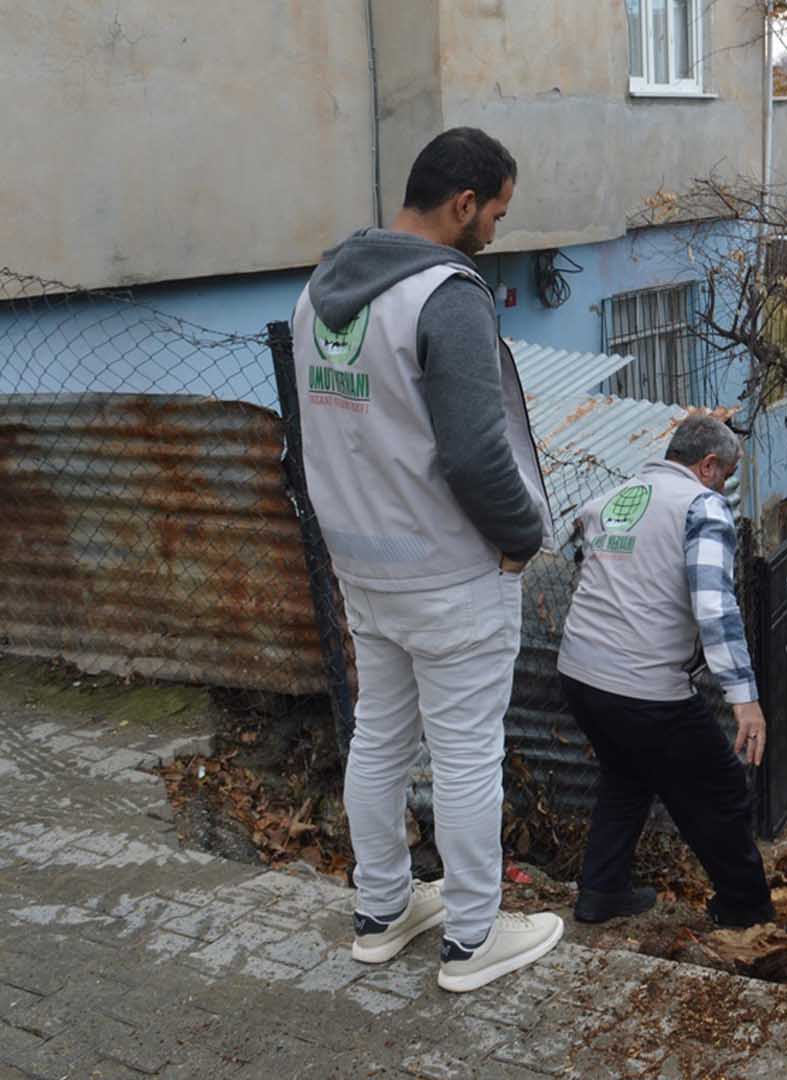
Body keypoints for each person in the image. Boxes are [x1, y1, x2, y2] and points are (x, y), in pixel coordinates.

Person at [292, 127, 564, 993]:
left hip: (363, 566)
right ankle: (473, 940)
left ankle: (381, 914)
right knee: (466, 754)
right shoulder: (446, 296)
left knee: (378, 736)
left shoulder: (318, 295)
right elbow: (477, 454)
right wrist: (521, 537)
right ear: (463, 203)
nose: (496, 230)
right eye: (496, 214)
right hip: (449, 573)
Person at [557, 415, 777, 929]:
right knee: (722, 787)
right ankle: (746, 911)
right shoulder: (702, 506)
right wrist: (744, 699)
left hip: (579, 672)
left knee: (627, 774)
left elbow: (579, 555)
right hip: (643, 685)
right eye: (726, 476)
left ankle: (602, 892)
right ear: (708, 465)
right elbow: (714, 604)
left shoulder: (615, 498)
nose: (724, 488)